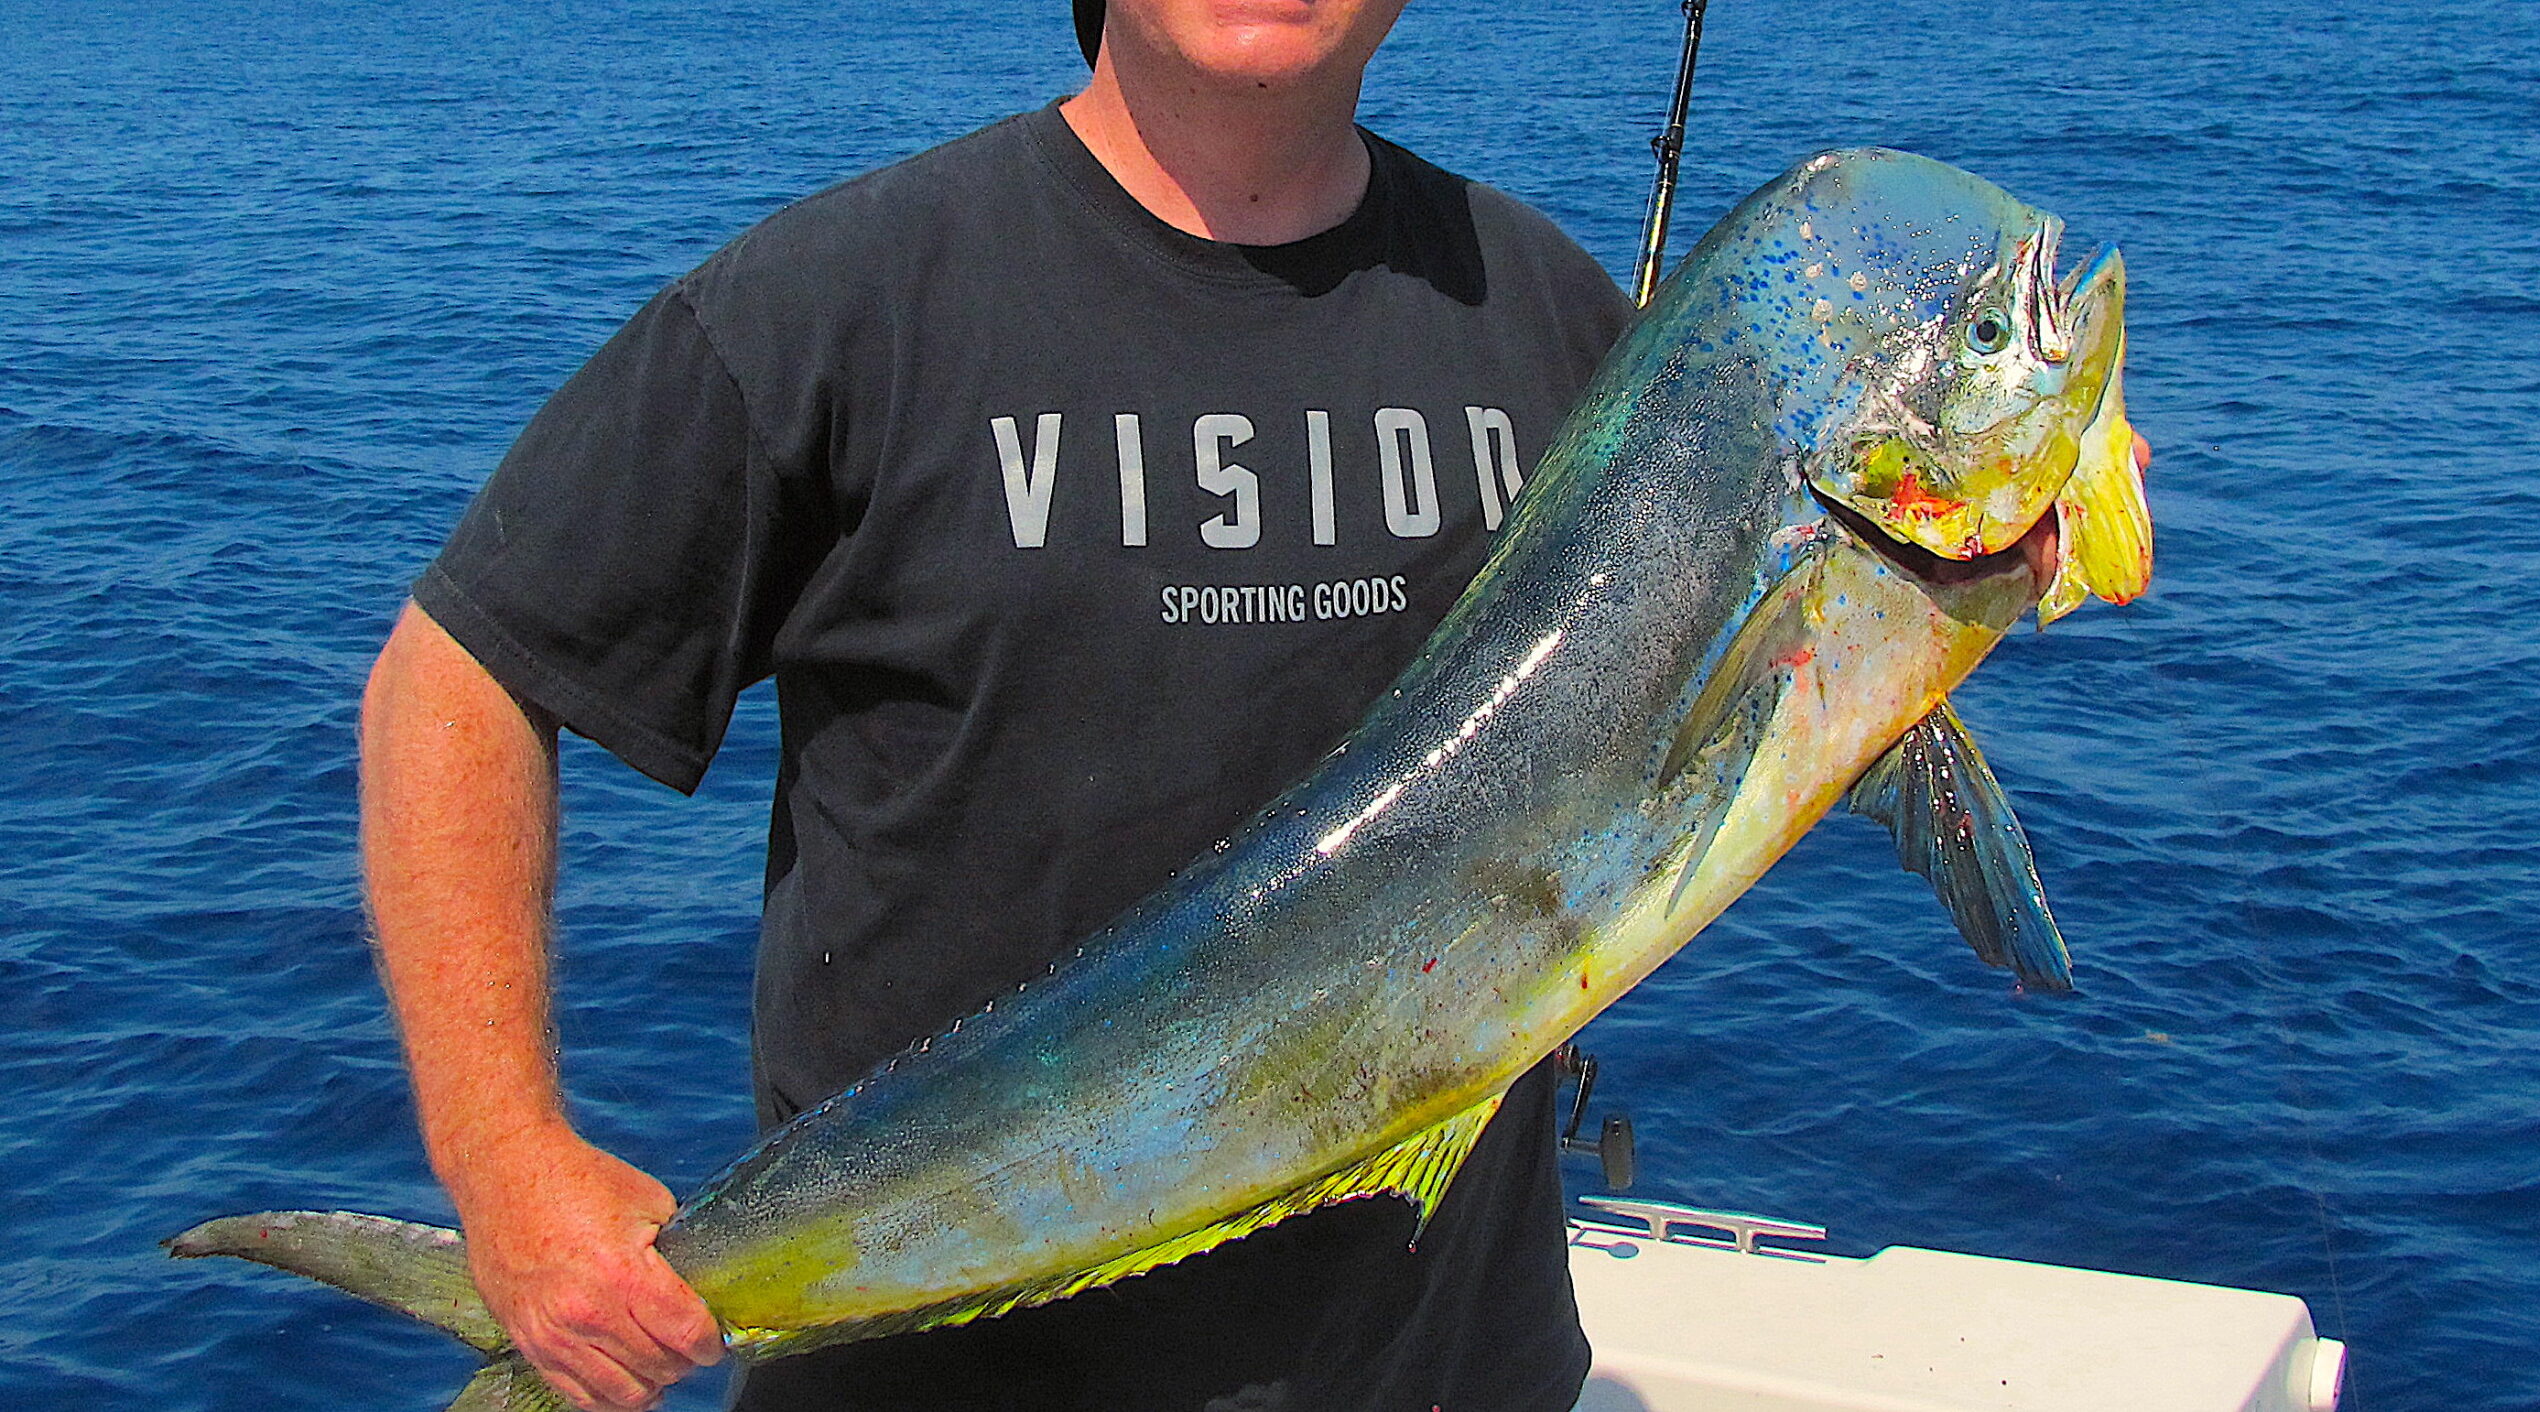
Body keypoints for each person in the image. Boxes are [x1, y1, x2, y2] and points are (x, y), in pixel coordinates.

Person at [359, 2, 1632, 1409]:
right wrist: (507, 1160)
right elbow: (458, 676)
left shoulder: (1555, 316)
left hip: (1448, 1374)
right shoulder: (838, 303)